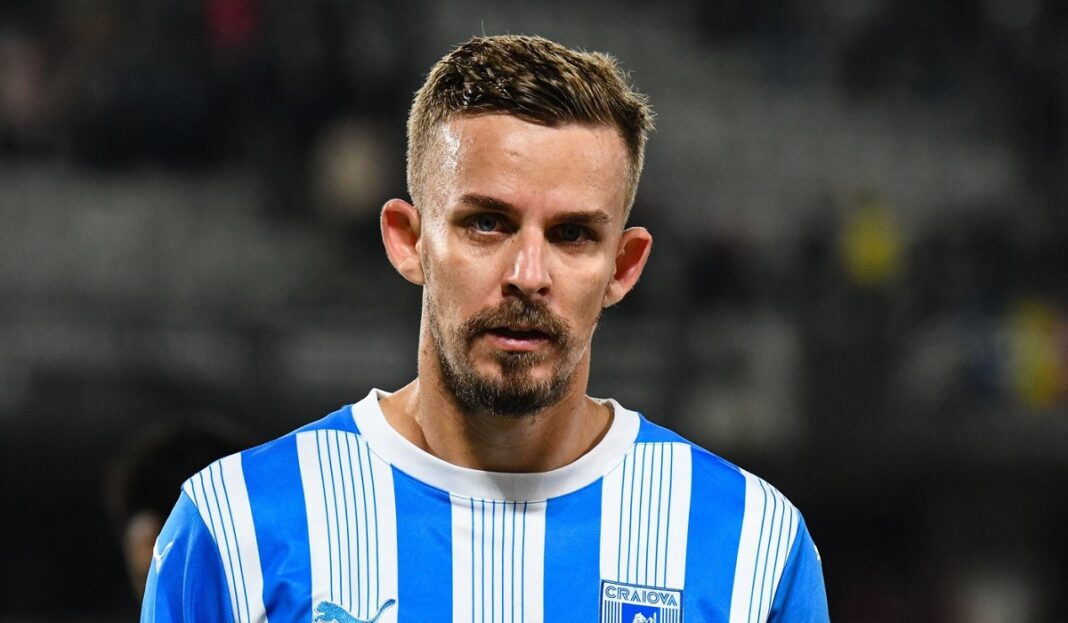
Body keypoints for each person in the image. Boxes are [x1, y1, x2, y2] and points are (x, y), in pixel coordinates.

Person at [141, 34, 829, 623]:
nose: (529, 274)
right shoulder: (235, 527)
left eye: (572, 234)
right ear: (407, 239)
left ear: (623, 266)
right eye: (487, 223)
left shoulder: (752, 548)